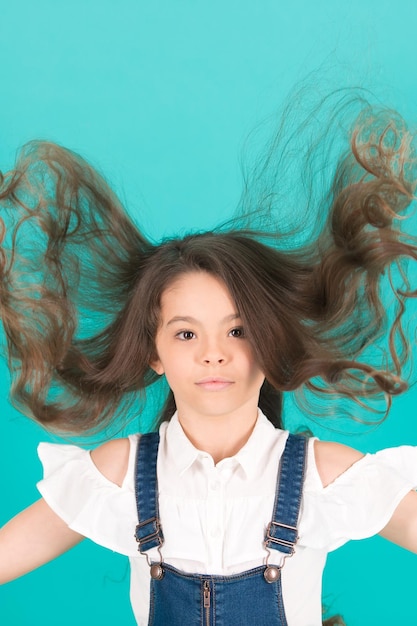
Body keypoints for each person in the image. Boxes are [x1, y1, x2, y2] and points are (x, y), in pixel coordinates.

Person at [0, 96, 417, 625]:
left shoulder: (325, 475)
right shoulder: (119, 474)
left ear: (270, 344)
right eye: (185, 333)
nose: (213, 353)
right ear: (153, 354)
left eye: (238, 330)